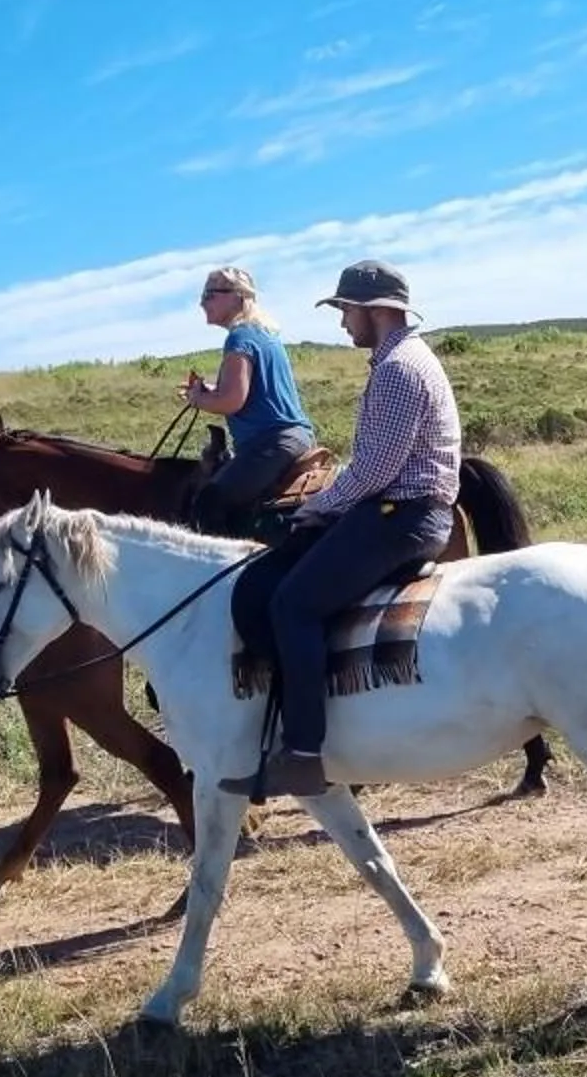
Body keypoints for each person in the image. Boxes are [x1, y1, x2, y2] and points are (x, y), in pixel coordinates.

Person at [225, 258, 460, 799]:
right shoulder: (400, 361)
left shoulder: (400, 369)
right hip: (396, 511)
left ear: (374, 312)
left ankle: (305, 752)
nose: (342, 323)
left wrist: (319, 507)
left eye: (346, 311)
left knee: (293, 605)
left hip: (402, 516)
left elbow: (376, 470)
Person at [179, 264, 318, 535]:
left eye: (209, 294)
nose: (202, 302)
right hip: (291, 438)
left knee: (209, 502)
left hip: (271, 443)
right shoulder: (262, 333)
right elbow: (251, 390)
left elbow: (232, 401)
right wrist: (209, 390)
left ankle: (222, 573)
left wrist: (197, 399)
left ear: (237, 296)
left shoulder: (239, 338)